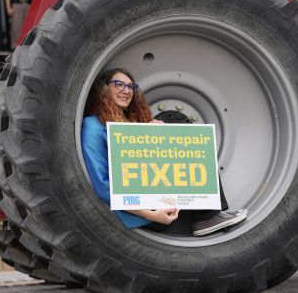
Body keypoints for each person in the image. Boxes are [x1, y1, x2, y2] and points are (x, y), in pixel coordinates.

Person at [81, 68, 248, 236]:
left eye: (131, 86)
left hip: (153, 194)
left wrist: (158, 135)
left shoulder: (130, 124)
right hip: (138, 211)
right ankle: (205, 216)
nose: (126, 90)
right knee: (182, 130)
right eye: (119, 84)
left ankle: (205, 216)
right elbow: (102, 186)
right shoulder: (93, 126)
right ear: (104, 89)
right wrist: (151, 214)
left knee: (185, 138)